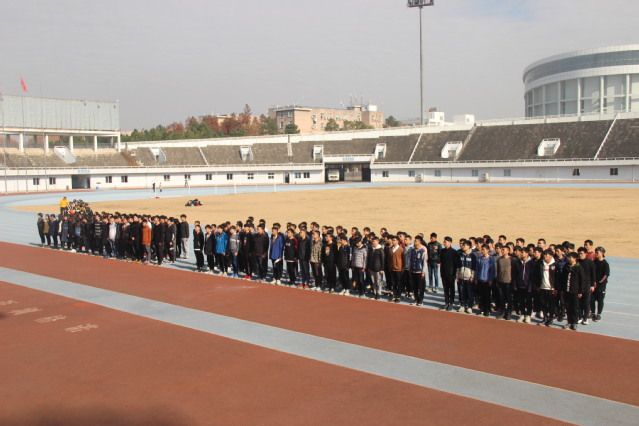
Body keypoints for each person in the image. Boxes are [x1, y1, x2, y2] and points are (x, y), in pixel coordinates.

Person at [564, 252, 585, 331]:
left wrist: (580, 291)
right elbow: (563, 277)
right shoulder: (566, 266)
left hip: (575, 291)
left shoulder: (579, 267)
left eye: (570, 257)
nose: (569, 259)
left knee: (575, 307)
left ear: (575, 258)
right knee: (568, 307)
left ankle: (574, 322)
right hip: (567, 290)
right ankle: (569, 322)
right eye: (568, 257)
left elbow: (582, 280)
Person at [475, 244, 496, 317]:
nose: (482, 251)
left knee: (487, 296)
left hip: (487, 281)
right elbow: (477, 269)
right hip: (480, 280)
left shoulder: (491, 259)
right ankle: (482, 309)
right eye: (482, 249)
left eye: (484, 249)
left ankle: (487, 310)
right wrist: (476, 278)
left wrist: (490, 279)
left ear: (487, 250)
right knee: (481, 296)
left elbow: (492, 270)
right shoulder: (479, 258)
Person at [440, 236, 459, 311]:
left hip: (451, 274)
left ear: (450, 242)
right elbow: (441, 262)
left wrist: (455, 274)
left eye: (445, 242)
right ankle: (446, 302)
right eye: (444, 242)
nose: (444, 243)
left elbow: (456, 264)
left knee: (452, 289)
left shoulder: (454, 252)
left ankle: (451, 303)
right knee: (445, 289)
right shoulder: (442, 251)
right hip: (443, 273)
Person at [578, 247, 596, 325]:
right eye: (579, 253)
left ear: (585, 254)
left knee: (586, 302)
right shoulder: (577, 262)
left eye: (581, 253)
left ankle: (585, 318)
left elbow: (593, 274)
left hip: (587, 285)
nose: (580, 255)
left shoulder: (590, 262)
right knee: (578, 302)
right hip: (578, 285)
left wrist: (592, 285)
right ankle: (580, 317)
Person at [538, 249, 557, 326]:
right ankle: (545, 318)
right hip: (542, 287)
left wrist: (555, 287)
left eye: (546, 255)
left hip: (551, 289)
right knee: (543, 304)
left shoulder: (555, 264)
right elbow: (537, 275)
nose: (545, 256)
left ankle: (550, 318)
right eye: (544, 254)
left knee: (551, 305)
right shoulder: (541, 263)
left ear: (551, 256)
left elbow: (558, 277)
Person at [457, 241, 476, 313]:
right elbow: (458, 266)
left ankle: (469, 307)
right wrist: (457, 276)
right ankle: (462, 305)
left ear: (469, 246)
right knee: (462, 292)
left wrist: (472, 277)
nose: (463, 246)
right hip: (461, 277)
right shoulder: (460, 255)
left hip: (469, 278)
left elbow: (474, 267)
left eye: (464, 245)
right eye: (462, 245)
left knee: (469, 293)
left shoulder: (473, 256)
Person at [592, 247, 610, 322]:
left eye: (597, 252)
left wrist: (599, 282)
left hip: (601, 286)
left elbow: (606, 275)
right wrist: (593, 282)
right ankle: (593, 313)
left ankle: (599, 314)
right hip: (593, 284)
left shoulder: (605, 264)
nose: (596, 253)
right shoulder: (594, 262)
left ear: (602, 253)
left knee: (600, 300)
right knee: (592, 299)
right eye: (595, 252)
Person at [409, 236, 428, 306]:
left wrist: (423, 272)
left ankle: (420, 301)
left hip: (420, 272)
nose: (415, 242)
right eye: (414, 241)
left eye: (416, 241)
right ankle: (416, 299)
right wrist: (410, 269)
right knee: (415, 287)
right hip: (413, 271)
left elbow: (424, 262)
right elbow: (410, 260)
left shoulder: (423, 251)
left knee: (421, 287)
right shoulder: (412, 250)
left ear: (420, 242)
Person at [496, 245, 513, 319]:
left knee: (509, 298)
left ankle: (509, 312)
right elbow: (497, 270)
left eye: (504, 250)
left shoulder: (512, 259)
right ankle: (502, 312)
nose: (502, 251)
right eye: (502, 250)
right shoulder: (499, 259)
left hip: (509, 282)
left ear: (508, 251)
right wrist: (497, 280)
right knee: (501, 298)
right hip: (500, 281)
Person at [389, 236, 404, 303]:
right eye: (392, 240)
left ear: (397, 241)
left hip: (399, 269)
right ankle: (394, 295)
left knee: (399, 283)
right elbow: (389, 259)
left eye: (394, 240)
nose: (393, 241)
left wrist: (402, 268)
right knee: (393, 283)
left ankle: (398, 296)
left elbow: (403, 259)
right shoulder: (391, 248)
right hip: (392, 268)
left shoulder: (401, 249)